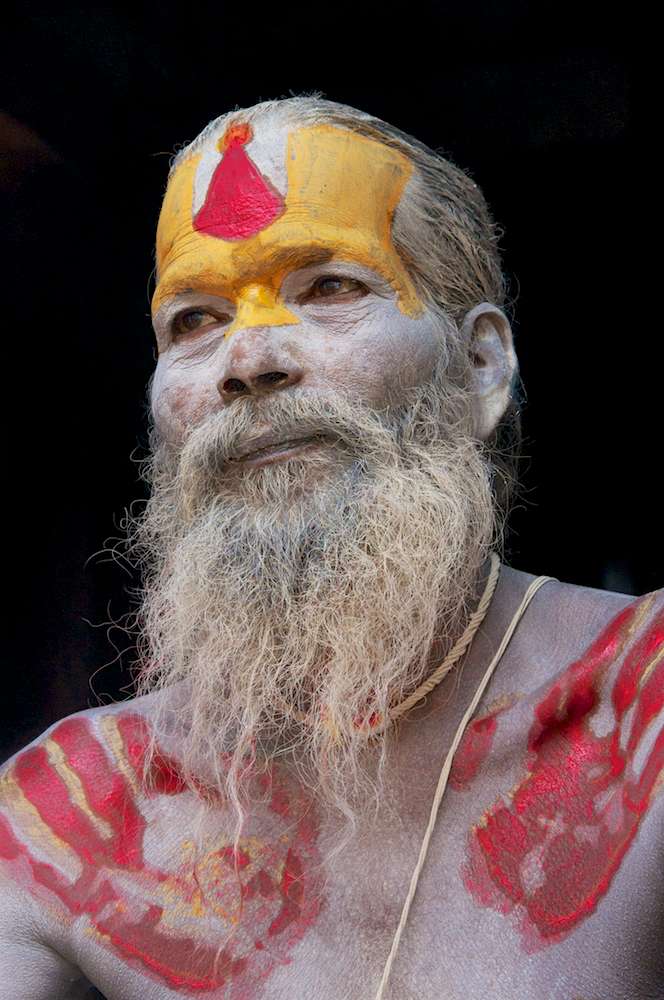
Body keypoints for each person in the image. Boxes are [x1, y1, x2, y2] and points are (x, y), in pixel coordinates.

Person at [0, 96, 661, 1000]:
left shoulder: (644, 715)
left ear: (481, 368)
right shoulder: (74, 815)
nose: (249, 358)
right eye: (194, 319)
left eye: (330, 288)